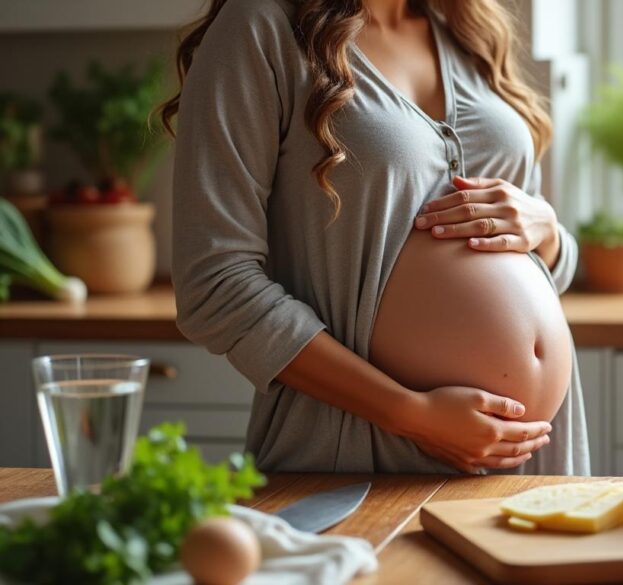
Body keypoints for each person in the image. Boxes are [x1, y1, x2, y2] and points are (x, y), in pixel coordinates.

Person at [163, 0, 589, 475]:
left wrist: (547, 229)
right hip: (366, 451)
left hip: (535, 455)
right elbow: (215, 284)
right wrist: (412, 415)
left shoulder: (467, 29)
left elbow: (547, 263)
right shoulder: (262, 27)